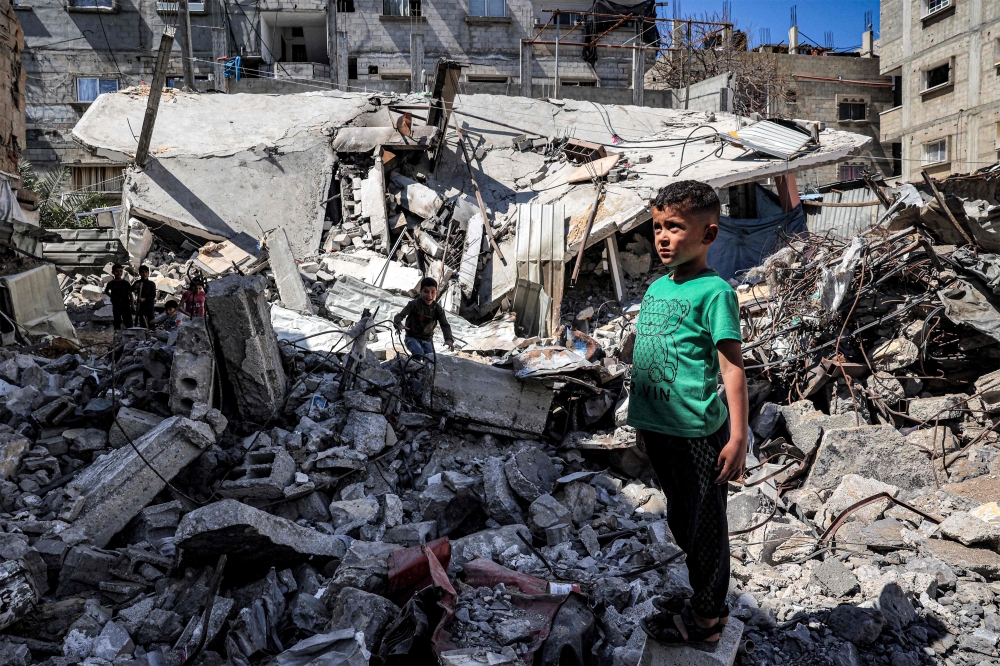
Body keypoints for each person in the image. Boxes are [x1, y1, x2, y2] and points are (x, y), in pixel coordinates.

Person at [628, 181, 748, 647]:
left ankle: (706, 622)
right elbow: (649, 361)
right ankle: (703, 597)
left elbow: (732, 368)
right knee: (681, 518)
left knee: (704, 528)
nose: (661, 237)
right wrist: (644, 425)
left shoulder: (714, 292)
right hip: (661, 431)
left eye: (674, 228)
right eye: (658, 227)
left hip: (698, 434)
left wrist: (738, 438)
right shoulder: (658, 288)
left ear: (709, 235)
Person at [392, 277, 455, 360]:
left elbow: (444, 324)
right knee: (419, 354)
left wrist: (448, 339)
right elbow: (400, 315)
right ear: (420, 291)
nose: (429, 295)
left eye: (433, 292)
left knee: (431, 359)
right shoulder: (413, 304)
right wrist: (398, 324)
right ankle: (413, 370)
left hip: (427, 339)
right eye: (426, 292)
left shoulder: (437, 309)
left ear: (437, 293)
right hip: (412, 337)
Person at [104, 263, 134, 330]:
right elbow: (106, 291)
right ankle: (117, 337)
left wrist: (132, 305)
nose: (119, 273)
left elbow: (130, 295)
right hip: (116, 305)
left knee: (128, 322)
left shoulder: (125, 283)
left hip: (126, 305)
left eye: (120, 271)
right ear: (113, 272)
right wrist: (112, 297)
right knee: (117, 322)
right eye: (117, 271)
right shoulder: (111, 283)